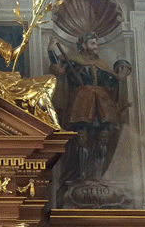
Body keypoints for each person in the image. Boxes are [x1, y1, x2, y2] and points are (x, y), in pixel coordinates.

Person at [49, 32, 131, 185]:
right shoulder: (74, 61)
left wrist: (119, 80)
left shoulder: (102, 65)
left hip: (102, 102)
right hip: (82, 100)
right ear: (84, 45)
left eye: (97, 44)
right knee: (82, 136)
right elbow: (59, 69)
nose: (96, 47)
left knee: (104, 135)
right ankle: (81, 173)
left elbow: (110, 85)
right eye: (93, 44)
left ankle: (97, 174)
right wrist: (51, 50)